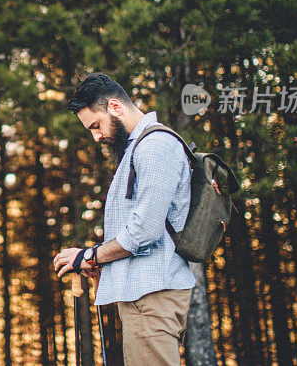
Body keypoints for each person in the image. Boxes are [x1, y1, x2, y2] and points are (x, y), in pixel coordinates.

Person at [53, 72, 195, 366]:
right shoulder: (138, 148)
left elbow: (145, 230)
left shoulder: (155, 146)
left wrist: (91, 255)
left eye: (96, 125)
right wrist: (99, 261)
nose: (95, 135)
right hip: (146, 297)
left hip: (153, 297)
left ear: (115, 107)